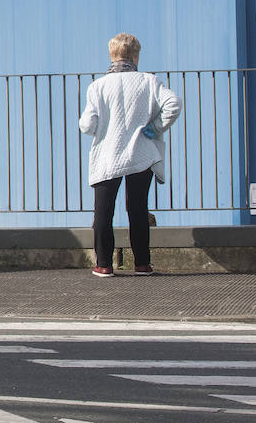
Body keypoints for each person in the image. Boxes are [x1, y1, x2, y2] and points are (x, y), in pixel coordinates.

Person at [78, 32, 182, 278]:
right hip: (141, 153)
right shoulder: (149, 81)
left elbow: (87, 125)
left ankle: (104, 264)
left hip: (108, 155)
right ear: (135, 56)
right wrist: (154, 127)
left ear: (112, 55)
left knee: (103, 210)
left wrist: (97, 126)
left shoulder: (98, 86)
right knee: (137, 208)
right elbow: (173, 104)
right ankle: (142, 264)